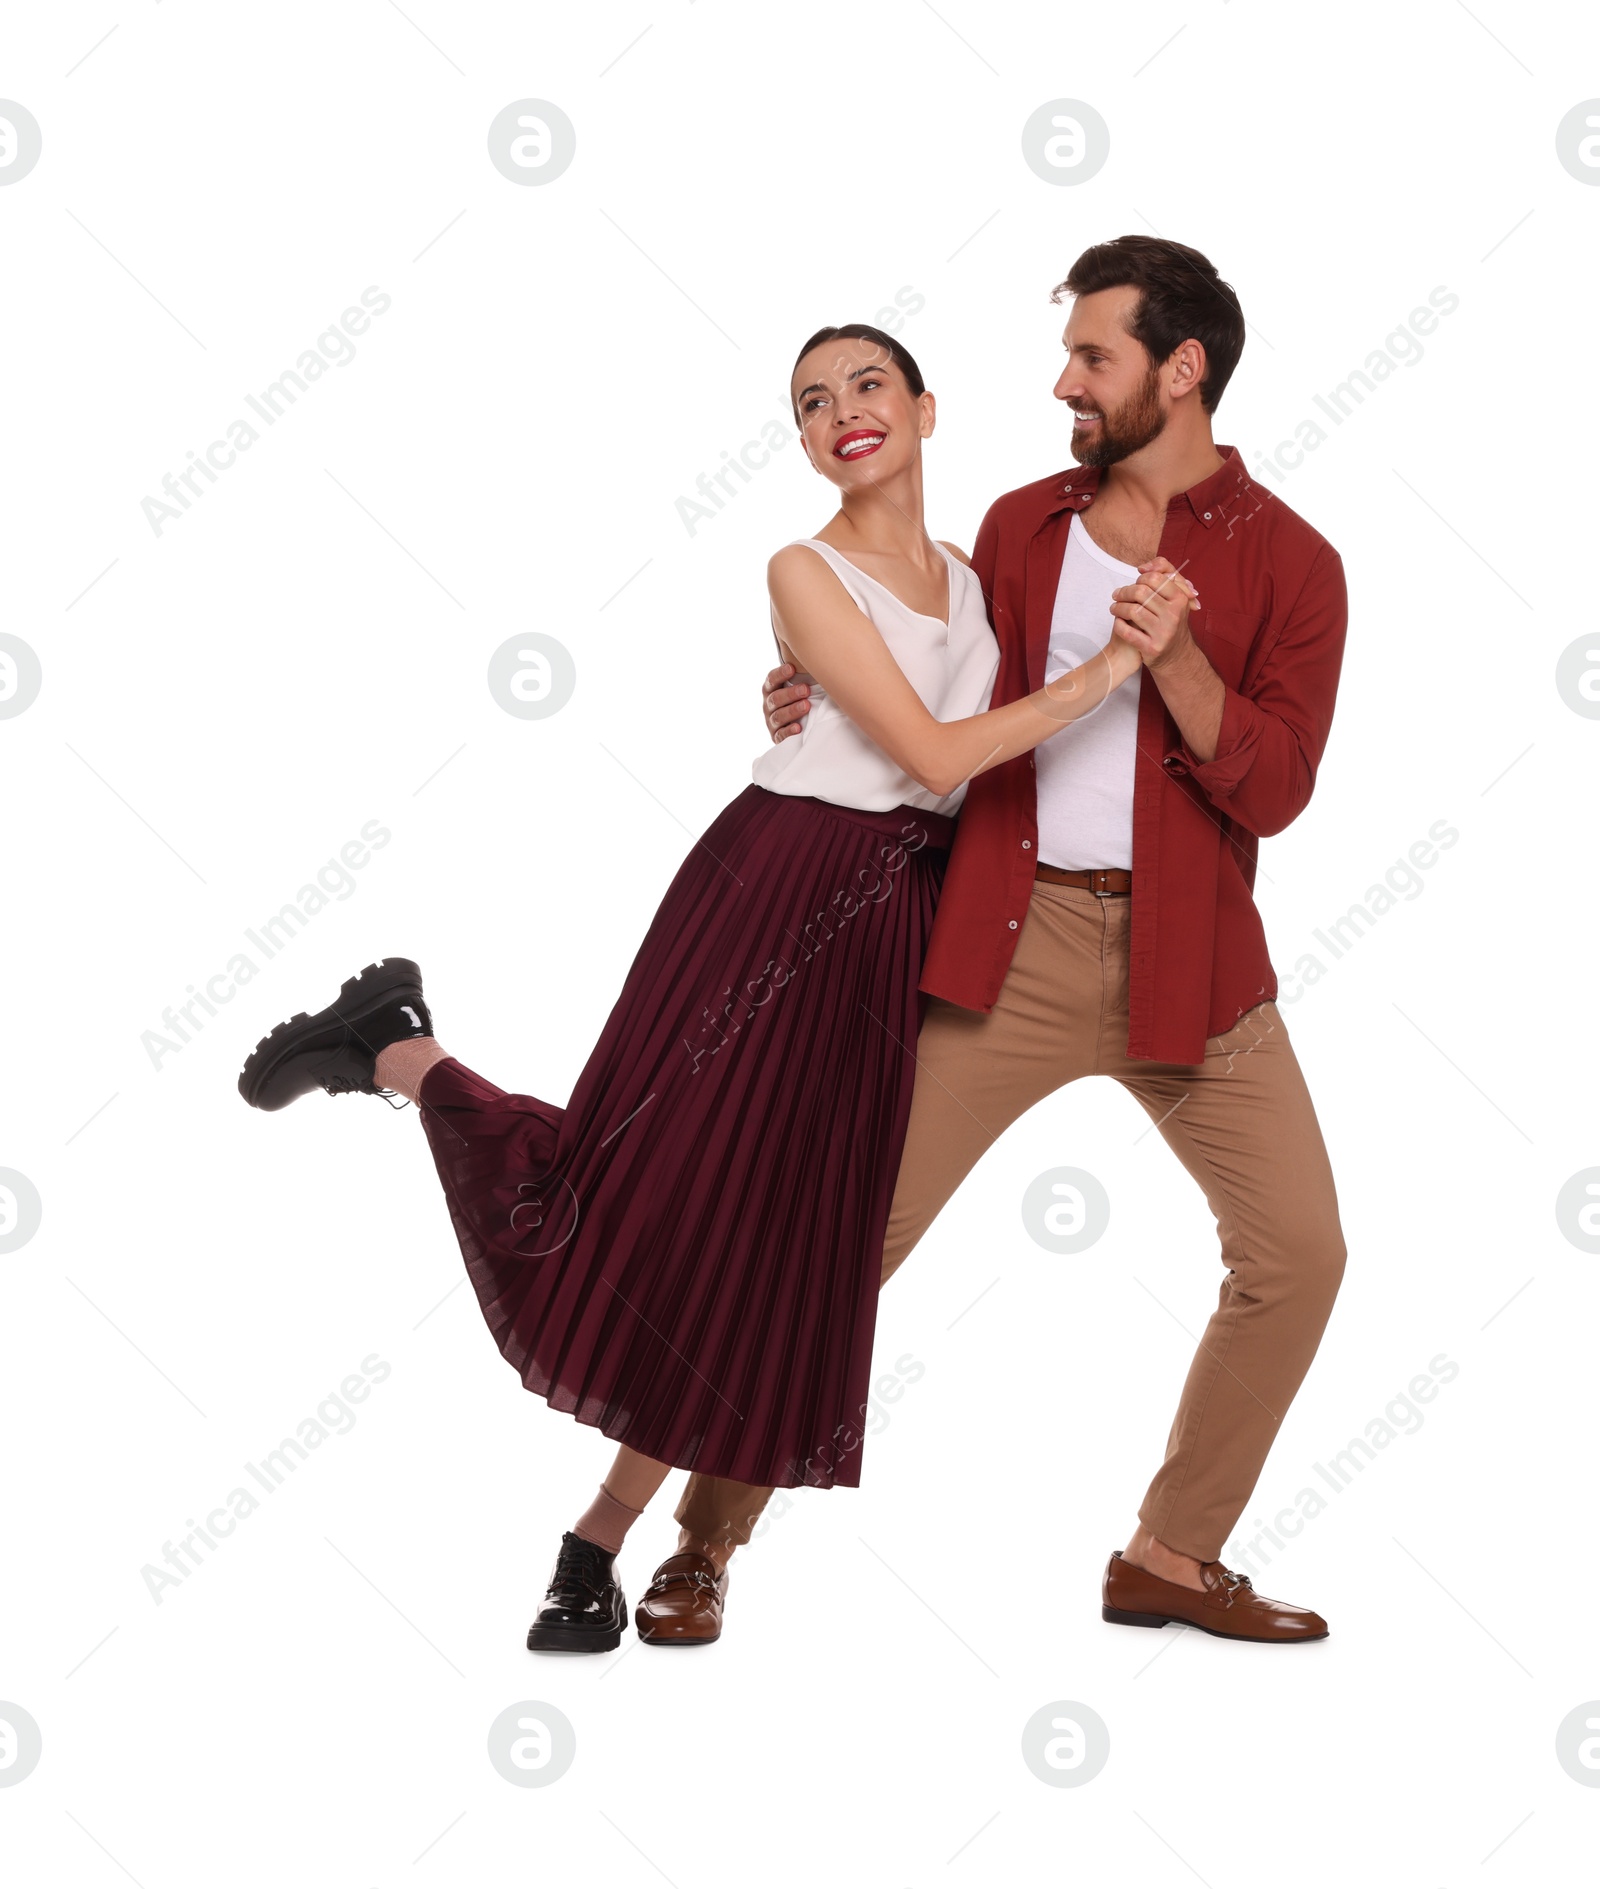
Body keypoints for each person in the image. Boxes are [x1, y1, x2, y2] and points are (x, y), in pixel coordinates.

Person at [236, 321, 1153, 1652]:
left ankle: (593, 1546)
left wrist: (828, 711)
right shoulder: (799, 565)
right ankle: (400, 1053)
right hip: (770, 898)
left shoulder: (967, 581)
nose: (843, 410)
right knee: (635, 1202)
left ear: (928, 409)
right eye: (812, 401)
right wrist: (1111, 670)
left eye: (869, 385)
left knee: (773, 1250)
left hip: (887, 920)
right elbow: (937, 749)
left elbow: (951, 775)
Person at [670, 234, 1351, 1646]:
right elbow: (937, 690)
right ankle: (703, 1537)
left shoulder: (1295, 560)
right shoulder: (1026, 524)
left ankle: (1172, 1553)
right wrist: (814, 693)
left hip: (1198, 963)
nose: (1064, 382)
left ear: (1183, 368)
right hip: (1007, 940)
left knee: (1300, 1250)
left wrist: (1175, 660)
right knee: (834, 1240)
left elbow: (1277, 785)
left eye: (1093, 356)